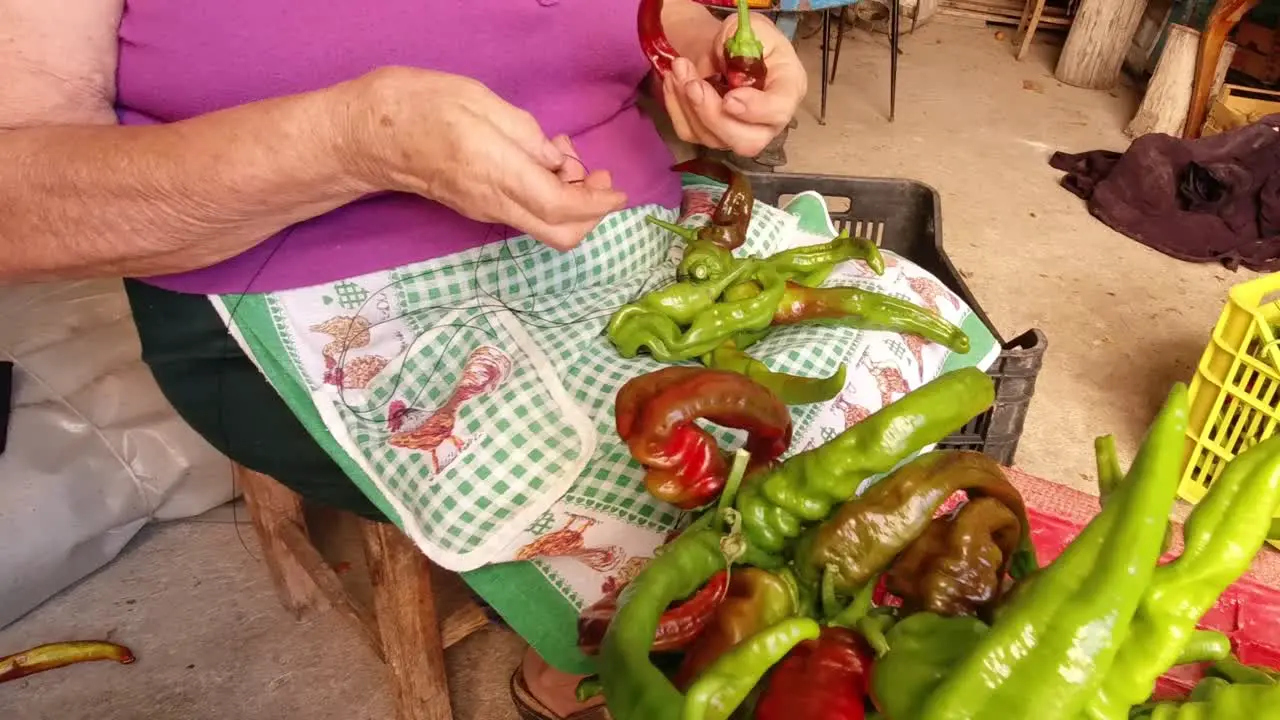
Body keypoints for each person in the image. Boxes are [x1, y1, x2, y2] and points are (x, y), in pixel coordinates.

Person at [1, 0, 807, 715]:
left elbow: (622, 16)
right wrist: (356, 144)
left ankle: (585, 654)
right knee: (691, 529)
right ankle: (591, 661)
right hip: (326, 309)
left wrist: (699, 42)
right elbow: (19, 207)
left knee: (864, 422)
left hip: (636, 251)